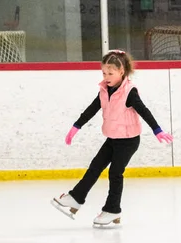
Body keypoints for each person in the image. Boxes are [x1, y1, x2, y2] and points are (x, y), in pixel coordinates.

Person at [51, 49, 173, 226]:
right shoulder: (103, 90)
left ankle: (112, 209)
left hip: (129, 141)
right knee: (95, 166)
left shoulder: (129, 92)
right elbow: (92, 109)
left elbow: (144, 111)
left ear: (121, 72)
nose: (106, 76)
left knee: (115, 173)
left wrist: (157, 130)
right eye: (103, 72)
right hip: (113, 138)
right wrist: (76, 126)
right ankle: (76, 197)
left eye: (110, 73)